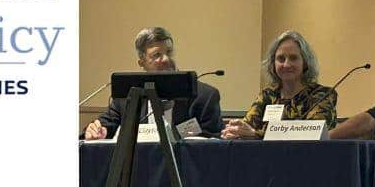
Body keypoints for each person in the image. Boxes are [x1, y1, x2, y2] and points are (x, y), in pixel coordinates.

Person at [83, 26, 222, 139]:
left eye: (169, 52)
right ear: (142, 62)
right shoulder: (127, 98)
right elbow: (104, 126)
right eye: (157, 55)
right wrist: (96, 130)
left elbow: (214, 144)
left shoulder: (205, 96)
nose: (166, 59)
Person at [222, 31, 336, 139]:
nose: (286, 64)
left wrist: (255, 134)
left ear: (305, 63)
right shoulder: (268, 94)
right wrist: (236, 130)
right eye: (281, 59)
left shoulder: (322, 95)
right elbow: (247, 126)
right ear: (273, 64)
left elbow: (311, 134)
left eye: (293, 58)